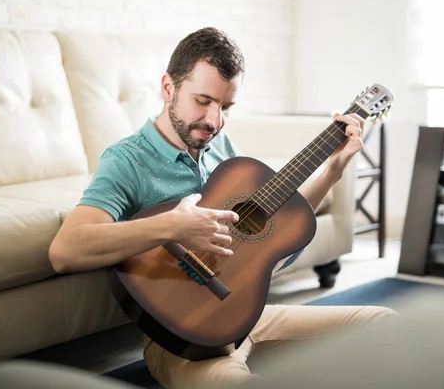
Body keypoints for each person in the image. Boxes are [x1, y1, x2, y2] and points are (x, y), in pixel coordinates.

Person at [48, 27, 397, 389]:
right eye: (203, 101)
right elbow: (66, 250)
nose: (214, 121)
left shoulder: (220, 145)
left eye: (226, 107)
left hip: (248, 317)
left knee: (385, 325)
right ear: (169, 87)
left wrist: (333, 171)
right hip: (182, 340)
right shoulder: (127, 160)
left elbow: (276, 226)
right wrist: (171, 227)